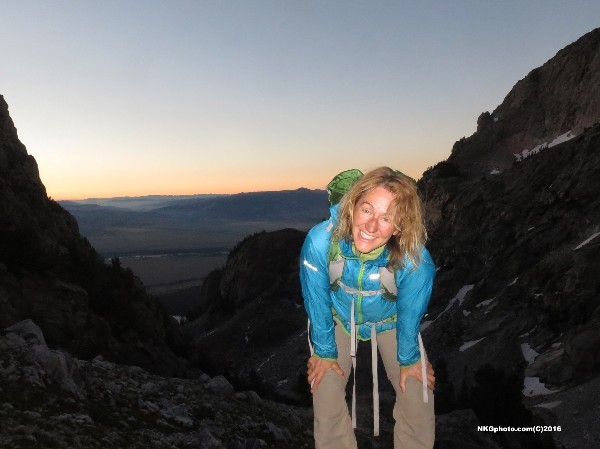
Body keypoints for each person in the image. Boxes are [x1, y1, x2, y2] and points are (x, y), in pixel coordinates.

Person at [300, 167, 436, 449]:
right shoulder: (321, 240)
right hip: (338, 318)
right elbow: (316, 297)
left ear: (400, 226)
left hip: (391, 322)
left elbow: (410, 313)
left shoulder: (415, 260)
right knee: (324, 391)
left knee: (417, 397)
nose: (372, 226)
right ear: (352, 206)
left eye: (387, 218)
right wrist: (324, 353)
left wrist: (410, 360)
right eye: (367, 210)